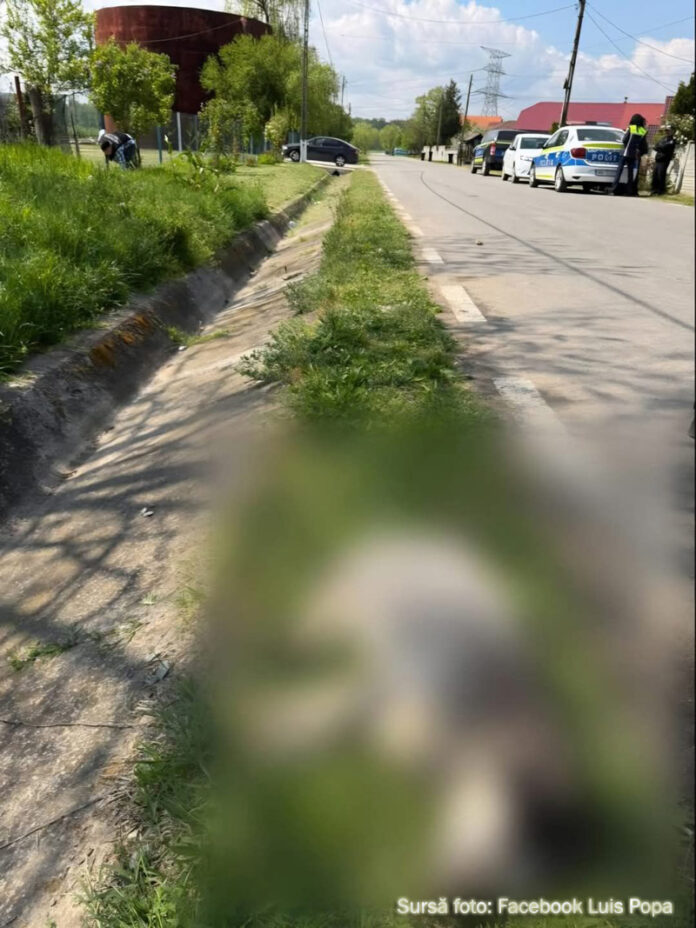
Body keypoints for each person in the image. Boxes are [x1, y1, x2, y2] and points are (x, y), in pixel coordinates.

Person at [610, 113, 648, 196]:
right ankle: (629, 191)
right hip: (634, 154)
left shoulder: (631, 128)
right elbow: (643, 144)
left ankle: (614, 189)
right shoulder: (643, 131)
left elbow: (624, 140)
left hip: (625, 152)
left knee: (619, 171)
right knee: (630, 174)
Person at [651, 125, 676, 196]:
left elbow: (664, 147)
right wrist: (660, 147)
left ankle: (661, 190)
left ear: (672, 131)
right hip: (658, 159)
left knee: (661, 175)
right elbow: (655, 147)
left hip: (664, 160)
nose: (666, 132)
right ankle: (654, 190)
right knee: (655, 175)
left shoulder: (672, 140)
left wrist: (660, 147)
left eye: (668, 130)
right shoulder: (663, 138)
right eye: (666, 130)